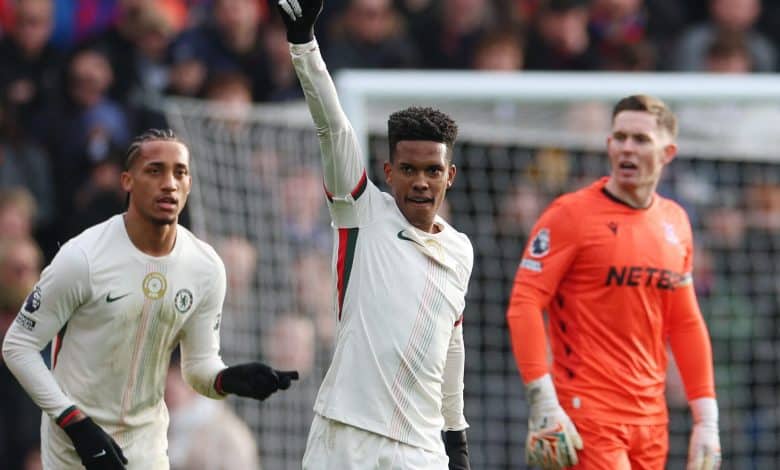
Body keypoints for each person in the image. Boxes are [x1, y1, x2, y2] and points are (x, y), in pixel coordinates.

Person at [2, 128, 298, 470]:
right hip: (74, 450)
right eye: (155, 171)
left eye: (180, 172)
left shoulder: (205, 268)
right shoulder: (82, 258)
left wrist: (225, 379)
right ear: (127, 181)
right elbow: (18, 346)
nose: (169, 183)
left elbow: (198, 366)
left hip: (147, 451)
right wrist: (74, 422)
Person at [276, 1, 472, 468]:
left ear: (450, 176)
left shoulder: (460, 250)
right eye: (407, 169)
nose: (420, 181)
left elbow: (452, 346)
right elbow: (332, 127)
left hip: (421, 448)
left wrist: (456, 435)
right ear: (388, 171)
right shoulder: (361, 212)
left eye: (431, 170)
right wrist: (304, 46)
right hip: (346, 436)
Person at [505, 95, 721, 469]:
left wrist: (707, 420)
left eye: (640, 140)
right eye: (619, 137)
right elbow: (524, 304)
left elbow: (685, 322)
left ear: (667, 152)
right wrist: (543, 400)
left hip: (651, 419)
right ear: (608, 145)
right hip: (586, 413)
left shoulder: (676, 222)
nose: (627, 148)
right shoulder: (570, 215)